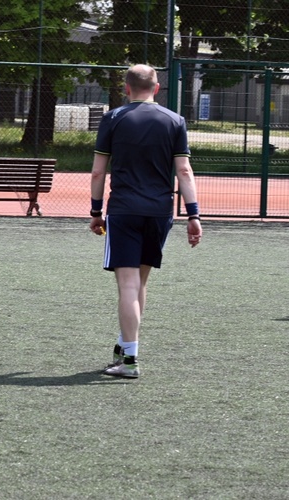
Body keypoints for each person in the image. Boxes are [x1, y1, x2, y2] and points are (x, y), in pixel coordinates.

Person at [89, 64, 202, 378]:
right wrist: (194, 215)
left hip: (124, 211)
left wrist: (95, 212)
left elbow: (98, 172)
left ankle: (130, 360)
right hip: (160, 211)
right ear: (156, 88)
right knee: (140, 282)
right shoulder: (175, 120)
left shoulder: (113, 118)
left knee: (127, 284)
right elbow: (184, 172)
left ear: (126, 88)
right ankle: (126, 344)